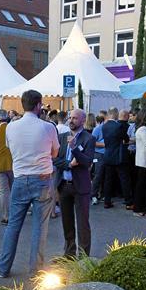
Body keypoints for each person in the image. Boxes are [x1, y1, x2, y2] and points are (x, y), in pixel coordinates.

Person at [0, 90, 59, 277]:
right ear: (39, 105)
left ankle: (3, 267)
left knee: (13, 225)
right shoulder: (47, 127)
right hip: (42, 178)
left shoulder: (11, 127)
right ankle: (36, 270)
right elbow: (55, 153)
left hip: (21, 178)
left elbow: (10, 147)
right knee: (40, 226)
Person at [54, 108, 96, 257]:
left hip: (81, 186)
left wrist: (75, 148)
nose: (71, 120)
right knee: (67, 222)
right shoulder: (61, 137)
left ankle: (84, 257)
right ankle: (69, 254)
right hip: (64, 185)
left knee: (83, 223)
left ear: (83, 121)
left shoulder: (88, 138)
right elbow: (54, 159)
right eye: (70, 117)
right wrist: (68, 164)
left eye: (75, 118)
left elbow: (87, 162)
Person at [101, 109, 131, 209]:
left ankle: (107, 201)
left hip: (108, 154)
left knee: (108, 179)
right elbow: (126, 138)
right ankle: (128, 201)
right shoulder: (119, 126)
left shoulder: (104, 126)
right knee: (124, 179)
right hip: (118, 156)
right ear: (116, 114)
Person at [133, 110, 146, 216]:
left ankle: (143, 208)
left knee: (144, 186)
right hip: (144, 160)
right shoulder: (143, 129)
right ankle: (138, 209)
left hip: (143, 160)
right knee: (142, 186)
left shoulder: (143, 129)